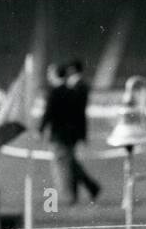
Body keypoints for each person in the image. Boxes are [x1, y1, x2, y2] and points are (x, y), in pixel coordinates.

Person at [40, 60, 101, 204]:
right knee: (71, 163)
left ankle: (70, 196)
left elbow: (48, 113)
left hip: (59, 135)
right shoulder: (71, 90)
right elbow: (78, 114)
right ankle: (91, 188)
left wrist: (40, 130)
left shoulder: (55, 92)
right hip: (71, 134)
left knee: (63, 166)